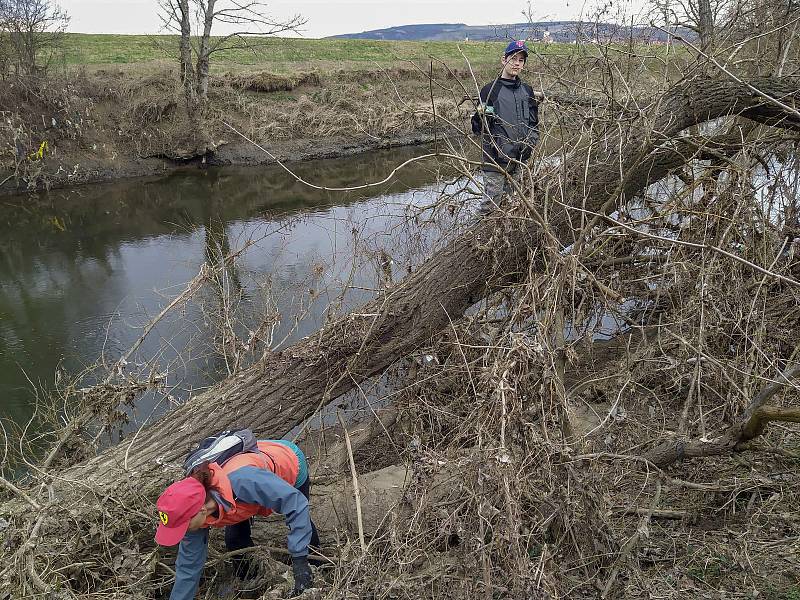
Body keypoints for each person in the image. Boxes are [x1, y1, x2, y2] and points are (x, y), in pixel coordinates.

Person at [155, 438, 320, 599]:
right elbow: (188, 567)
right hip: (238, 493)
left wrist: (299, 563)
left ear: (202, 509)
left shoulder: (243, 481)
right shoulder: (189, 509)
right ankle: (249, 583)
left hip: (287, 461)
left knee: (301, 524)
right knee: (234, 540)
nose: (183, 533)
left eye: (183, 527)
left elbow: (296, 504)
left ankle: (317, 566)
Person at [471, 40, 540, 216]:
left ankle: (498, 242)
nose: (517, 63)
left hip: (519, 160)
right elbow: (478, 128)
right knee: (490, 206)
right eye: (513, 58)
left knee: (511, 205)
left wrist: (529, 147)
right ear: (504, 60)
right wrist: (480, 118)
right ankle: (470, 241)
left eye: (521, 60)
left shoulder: (527, 90)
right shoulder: (490, 90)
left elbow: (534, 124)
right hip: (495, 160)